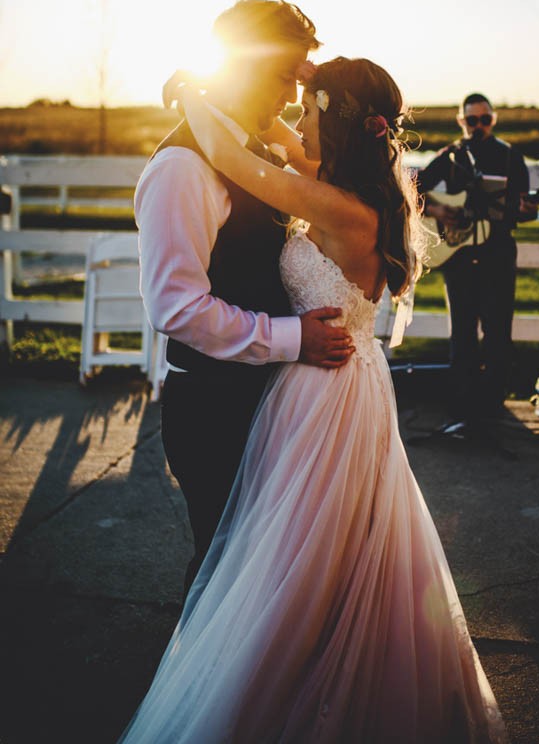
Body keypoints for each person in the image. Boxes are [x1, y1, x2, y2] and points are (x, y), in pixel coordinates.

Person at [120, 59, 508, 742]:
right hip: (349, 381)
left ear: (340, 126)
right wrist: (295, 73)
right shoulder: (366, 191)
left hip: (321, 390)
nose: (297, 125)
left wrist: (188, 90)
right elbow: (274, 134)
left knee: (298, 558)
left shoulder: (336, 206)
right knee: (333, 550)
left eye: (309, 113)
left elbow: (228, 155)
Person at [135, 0, 354, 597]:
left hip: (271, 398)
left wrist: (310, 77)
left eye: (295, 78)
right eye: (282, 75)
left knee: (273, 579)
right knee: (224, 574)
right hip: (215, 410)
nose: (290, 94)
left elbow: (321, 163)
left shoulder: (258, 151)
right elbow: (176, 307)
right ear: (239, 66)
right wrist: (294, 337)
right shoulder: (182, 168)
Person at [417, 93, 537, 427]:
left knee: (498, 333)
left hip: (498, 254)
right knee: (463, 333)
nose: (480, 126)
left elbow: (524, 208)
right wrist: (438, 209)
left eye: (486, 120)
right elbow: (414, 190)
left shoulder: (512, 157)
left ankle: (492, 410)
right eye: (473, 121)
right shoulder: (451, 156)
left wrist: (530, 210)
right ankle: (463, 407)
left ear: (493, 120)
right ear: (462, 122)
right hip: (459, 256)